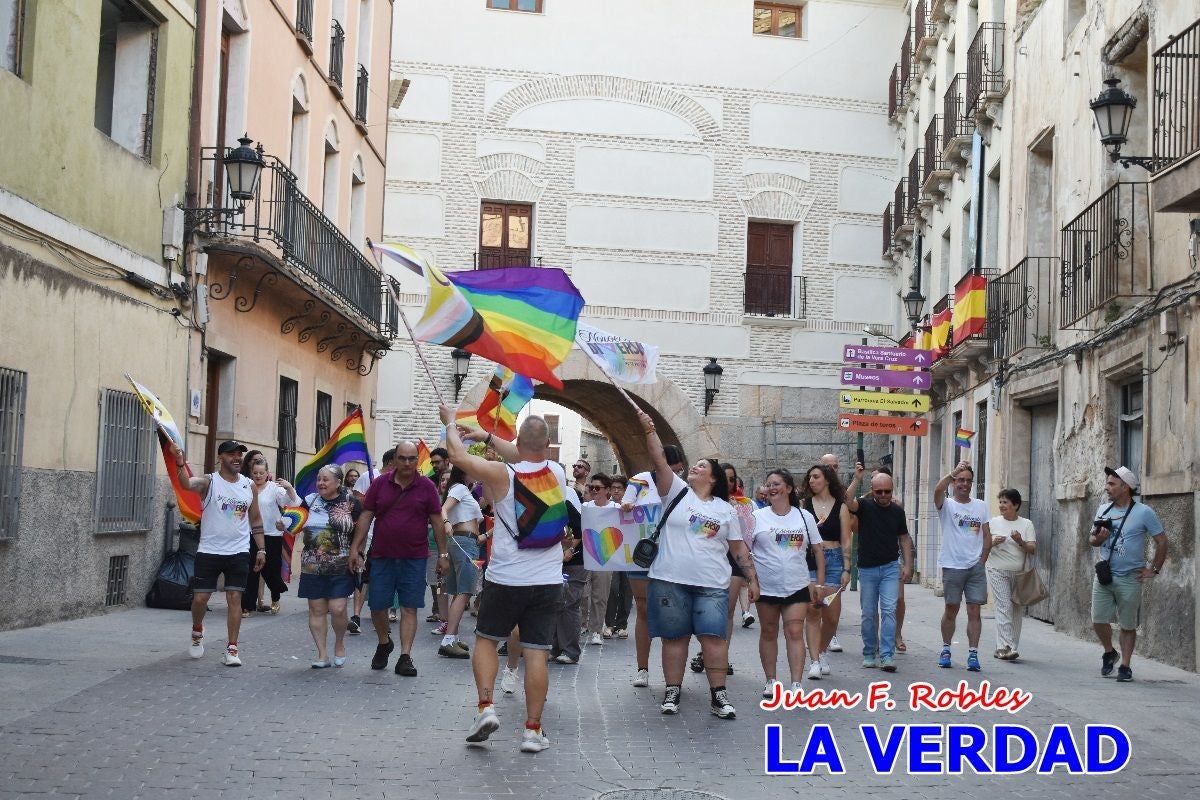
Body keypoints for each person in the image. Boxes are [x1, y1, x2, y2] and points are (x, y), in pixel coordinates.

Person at [440, 405, 576, 754]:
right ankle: (532, 731)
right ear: (547, 443)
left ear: (517, 440)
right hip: (546, 581)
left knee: (486, 641)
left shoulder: (502, 475)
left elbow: (456, 453)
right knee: (536, 654)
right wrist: (487, 436)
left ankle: (485, 708)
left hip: (506, 578)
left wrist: (450, 421)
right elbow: (525, 452)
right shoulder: (557, 472)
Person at [638, 410, 757, 720]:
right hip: (669, 579)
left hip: (712, 585)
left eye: (703, 466)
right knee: (674, 638)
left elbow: (739, 548)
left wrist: (752, 579)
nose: (695, 466)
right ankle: (672, 691)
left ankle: (719, 696)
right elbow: (659, 460)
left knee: (713, 640)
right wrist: (649, 429)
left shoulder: (725, 510)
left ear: (713, 478)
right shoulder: (676, 492)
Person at [348, 441, 447, 678]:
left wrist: (443, 554)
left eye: (412, 459)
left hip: (414, 557)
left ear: (417, 460)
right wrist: (355, 548)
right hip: (382, 555)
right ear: (394, 460)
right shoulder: (380, 484)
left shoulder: (426, 487)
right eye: (402, 458)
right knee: (377, 606)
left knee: (409, 607)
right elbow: (366, 516)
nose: (407, 463)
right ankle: (384, 642)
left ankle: (405, 656)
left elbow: (436, 521)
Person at [171, 440, 265, 667]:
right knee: (201, 598)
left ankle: (232, 648)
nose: (236, 458)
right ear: (220, 457)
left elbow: (255, 519)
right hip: (209, 550)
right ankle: (197, 630)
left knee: (235, 598)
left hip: (239, 551)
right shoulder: (208, 481)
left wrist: (261, 548)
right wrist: (180, 462)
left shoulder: (248, 485)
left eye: (239, 455)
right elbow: (185, 484)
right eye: (231, 454)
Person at [1089, 466, 1167, 682]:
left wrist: (1154, 570)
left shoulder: (1144, 512)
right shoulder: (1103, 510)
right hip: (1105, 574)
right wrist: (1099, 539)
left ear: (1126, 487)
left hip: (1130, 577)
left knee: (1127, 624)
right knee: (1098, 620)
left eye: (1112, 484)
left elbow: (1161, 540)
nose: (1107, 487)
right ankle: (1109, 652)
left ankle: (1125, 665)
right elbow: (1092, 540)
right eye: (1107, 483)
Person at [751, 469, 823, 697]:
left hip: (797, 584)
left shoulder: (804, 516)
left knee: (794, 631)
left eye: (777, 484)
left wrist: (818, 584)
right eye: (769, 484)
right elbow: (743, 550)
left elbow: (818, 551)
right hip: (767, 585)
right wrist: (751, 581)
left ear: (789, 488)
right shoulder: (757, 517)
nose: (772, 488)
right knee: (769, 631)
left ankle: (796, 683)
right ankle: (770, 680)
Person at [621, 443, 687, 687]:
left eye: (681, 471)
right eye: (674, 469)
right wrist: (628, 506)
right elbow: (626, 504)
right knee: (644, 610)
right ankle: (642, 668)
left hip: (671, 556)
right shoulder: (640, 480)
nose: (678, 475)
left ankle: (671, 673)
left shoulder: (682, 488)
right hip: (642, 554)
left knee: (670, 612)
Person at [844, 463, 912, 672]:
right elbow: (847, 501)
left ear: (892, 490)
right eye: (879, 491)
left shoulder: (897, 511)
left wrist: (908, 565)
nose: (883, 495)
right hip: (867, 569)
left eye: (887, 491)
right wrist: (857, 479)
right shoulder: (864, 506)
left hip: (891, 567)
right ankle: (868, 651)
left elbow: (904, 538)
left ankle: (887, 655)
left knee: (889, 610)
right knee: (868, 613)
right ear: (872, 491)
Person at [297, 464, 361, 668]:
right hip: (312, 564)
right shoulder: (309, 501)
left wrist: (358, 553)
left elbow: (362, 531)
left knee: (338, 608)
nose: (321, 483)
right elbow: (295, 522)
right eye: (319, 479)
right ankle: (322, 654)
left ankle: (339, 643)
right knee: (316, 609)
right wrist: (285, 524)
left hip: (341, 563)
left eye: (326, 479)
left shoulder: (351, 503)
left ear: (338, 482)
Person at [933, 461, 992, 671]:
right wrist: (952, 473)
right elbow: (938, 489)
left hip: (975, 567)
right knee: (951, 608)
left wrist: (982, 560)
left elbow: (986, 534)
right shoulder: (946, 504)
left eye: (968, 480)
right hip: (952, 565)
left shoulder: (980, 506)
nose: (964, 484)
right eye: (960, 480)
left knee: (974, 611)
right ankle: (946, 648)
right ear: (954, 482)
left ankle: (973, 654)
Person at [802, 464, 852, 679]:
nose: (812, 481)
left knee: (831, 617)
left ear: (827, 480)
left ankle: (821, 651)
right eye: (810, 478)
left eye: (816, 477)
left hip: (834, 560)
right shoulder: (805, 506)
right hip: (812, 561)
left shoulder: (841, 507)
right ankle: (814, 660)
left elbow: (846, 539)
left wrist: (847, 568)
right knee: (813, 611)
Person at [985, 489, 1036, 661]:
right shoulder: (992, 523)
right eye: (1000, 502)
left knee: (1016, 610)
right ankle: (1006, 646)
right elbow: (981, 546)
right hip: (997, 570)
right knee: (1003, 606)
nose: (1001, 505)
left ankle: (1007, 647)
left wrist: (1020, 541)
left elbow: (1032, 549)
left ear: (1016, 505)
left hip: (1019, 573)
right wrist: (992, 542)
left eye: (1005, 502)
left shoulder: (1026, 524)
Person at [438, 465, 483, 658]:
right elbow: (444, 509)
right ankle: (448, 639)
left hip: (465, 542)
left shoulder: (465, 490)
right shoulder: (460, 488)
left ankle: (452, 637)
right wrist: (446, 523)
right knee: (465, 591)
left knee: (458, 591)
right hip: (464, 543)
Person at [349, 449, 394, 634]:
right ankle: (356, 616)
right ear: (392, 463)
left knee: (385, 577)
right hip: (368, 534)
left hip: (389, 537)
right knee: (362, 574)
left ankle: (383, 615)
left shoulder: (401, 481)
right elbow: (358, 504)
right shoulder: (369, 476)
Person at [249, 458, 298, 615]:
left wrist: (289, 487)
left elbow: (292, 502)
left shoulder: (274, 488)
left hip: (271, 534)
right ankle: (246, 604)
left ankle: (275, 597)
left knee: (271, 570)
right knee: (251, 570)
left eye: (261, 473)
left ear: (267, 473)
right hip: (250, 534)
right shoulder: (246, 487)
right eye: (255, 472)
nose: (258, 476)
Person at [581, 473, 614, 647]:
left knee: (600, 596)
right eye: (591, 487)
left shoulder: (616, 507)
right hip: (586, 555)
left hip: (605, 556)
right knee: (582, 594)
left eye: (597, 488)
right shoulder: (585, 506)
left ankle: (596, 630)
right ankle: (582, 624)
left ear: (607, 490)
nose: (594, 491)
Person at [604, 475, 632, 639]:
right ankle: (609, 623)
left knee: (627, 591)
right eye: (613, 488)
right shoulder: (607, 507)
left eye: (619, 488)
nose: (616, 491)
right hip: (612, 553)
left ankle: (622, 625)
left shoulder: (633, 507)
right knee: (612, 589)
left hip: (628, 554)